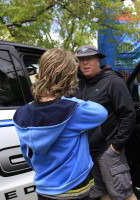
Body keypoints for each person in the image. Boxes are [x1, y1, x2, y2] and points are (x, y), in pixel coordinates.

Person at [13, 48, 108, 200]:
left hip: (45, 187)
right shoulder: (73, 110)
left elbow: (27, 154)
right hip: (73, 185)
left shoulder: (22, 113)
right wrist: (67, 99)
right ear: (69, 76)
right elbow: (101, 112)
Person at [74, 45, 137, 200]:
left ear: (98, 60)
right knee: (102, 193)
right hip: (88, 153)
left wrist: (116, 146)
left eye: (89, 59)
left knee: (123, 194)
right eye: (81, 60)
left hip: (108, 151)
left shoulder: (113, 82)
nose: (85, 63)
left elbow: (128, 114)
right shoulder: (78, 85)